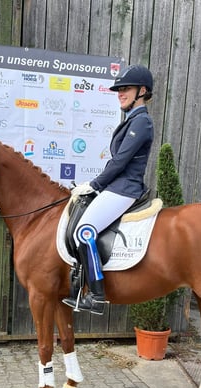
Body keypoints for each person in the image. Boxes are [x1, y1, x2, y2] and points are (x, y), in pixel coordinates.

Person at [62, 64, 155, 315]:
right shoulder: (131, 121)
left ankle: (96, 295)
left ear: (142, 91)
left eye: (126, 89)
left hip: (125, 189)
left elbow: (120, 161)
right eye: (118, 89)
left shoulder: (142, 122)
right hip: (116, 187)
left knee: (84, 232)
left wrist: (94, 185)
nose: (120, 94)